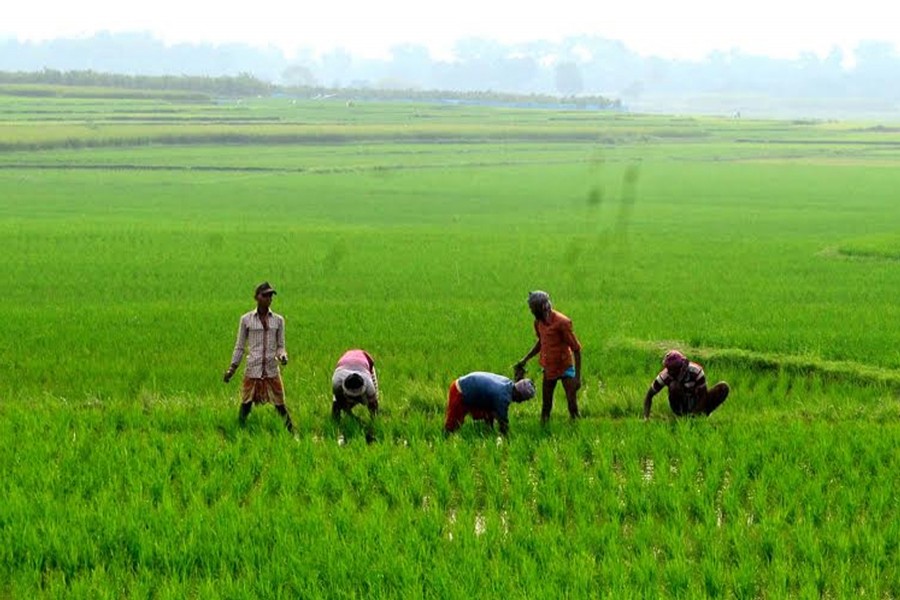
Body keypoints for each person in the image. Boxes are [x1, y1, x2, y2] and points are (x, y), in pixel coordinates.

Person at [223, 281, 294, 433]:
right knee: (246, 402)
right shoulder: (246, 320)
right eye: (265, 295)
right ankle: (239, 429)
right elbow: (240, 346)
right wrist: (232, 369)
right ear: (257, 297)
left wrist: (283, 356)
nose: (268, 299)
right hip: (253, 368)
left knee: (280, 404)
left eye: (270, 296)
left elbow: (281, 345)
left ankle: (291, 432)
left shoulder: (278, 320)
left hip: (271, 368)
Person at [514, 291, 583, 424]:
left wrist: (577, 378)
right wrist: (525, 359)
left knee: (572, 403)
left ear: (543, 307)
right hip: (549, 366)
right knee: (546, 405)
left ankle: (576, 427)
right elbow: (541, 342)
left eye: (533, 308)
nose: (531, 311)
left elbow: (576, 349)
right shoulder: (538, 323)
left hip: (565, 366)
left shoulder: (562, 322)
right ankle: (544, 428)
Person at [643, 350, 730, 419]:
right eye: (668, 369)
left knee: (723, 387)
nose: (669, 372)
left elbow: (703, 395)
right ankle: (682, 416)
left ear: (681, 368)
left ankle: (700, 415)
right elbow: (649, 396)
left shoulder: (696, 371)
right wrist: (646, 417)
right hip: (681, 404)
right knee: (674, 386)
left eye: (672, 370)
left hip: (697, 401)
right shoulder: (665, 376)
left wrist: (695, 413)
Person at [444, 372, 536, 435]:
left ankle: (487, 430)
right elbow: (503, 422)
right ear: (519, 395)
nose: (520, 402)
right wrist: (506, 437)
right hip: (460, 390)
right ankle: (445, 439)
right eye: (522, 399)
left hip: (471, 387)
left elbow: (494, 410)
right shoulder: (503, 397)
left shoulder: (508, 383)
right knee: (453, 424)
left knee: (489, 412)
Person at [332, 348, 379, 421]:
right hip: (344, 364)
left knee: (373, 398)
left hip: (364, 361)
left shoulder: (369, 384)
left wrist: (374, 421)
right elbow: (339, 401)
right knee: (337, 404)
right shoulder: (337, 382)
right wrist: (353, 417)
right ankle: (335, 421)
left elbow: (373, 403)